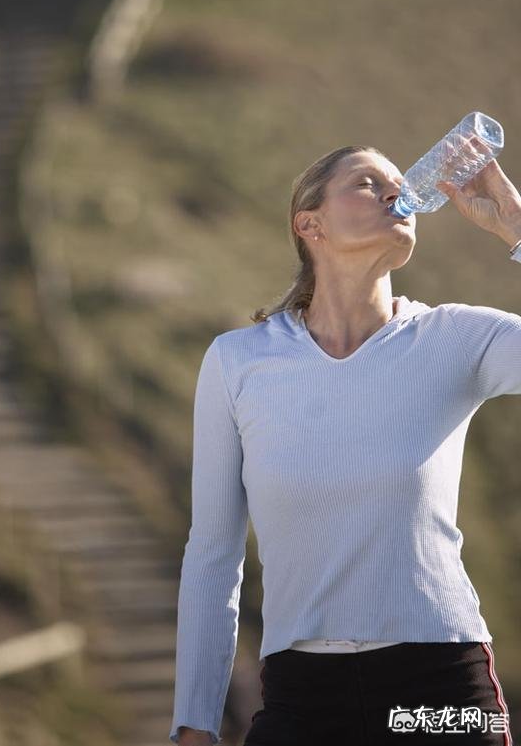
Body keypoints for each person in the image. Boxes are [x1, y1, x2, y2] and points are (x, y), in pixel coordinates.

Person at [169, 142, 521, 746]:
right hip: (302, 697)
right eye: (366, 183)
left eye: (398, 182)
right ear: (310, 224)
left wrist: (516, 223)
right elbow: (212, 554)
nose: (397, 191)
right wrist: (195, 722)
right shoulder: (238, 362)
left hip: (439, 688)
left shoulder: (459, 338)